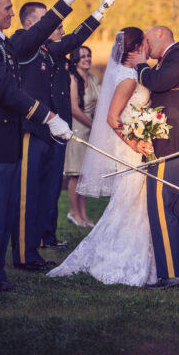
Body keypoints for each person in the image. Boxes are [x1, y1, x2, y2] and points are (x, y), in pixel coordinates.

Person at [0, 0, 84, 292]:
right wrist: (48, 116)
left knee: (2, 211)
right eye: (7, 8)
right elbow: (6, 93)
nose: (12, 13)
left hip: (6, 142)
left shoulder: (2, 43)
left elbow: (37, 32)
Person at [11, 0, 117, 272]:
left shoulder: (47, 50)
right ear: (32, 24)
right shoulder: (21, 45)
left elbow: (72, 40)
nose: (51, 24)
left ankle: (35, 247)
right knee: (27, 194)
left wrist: (99, 12)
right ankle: (23, 254)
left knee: (46, 191)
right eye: (45, 20)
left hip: (50, 133)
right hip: (30, 131)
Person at [47, 28, 157, 287]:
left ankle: (136, 251)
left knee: (131, 201)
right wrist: (135, 142)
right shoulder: (129, 77)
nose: (148, 48)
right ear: (135, 49)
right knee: (130, 201)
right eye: (145, 44)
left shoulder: (123, 72)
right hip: (130, 147)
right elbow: (111, 117)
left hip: (130, 144)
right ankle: (119, 256)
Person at [128, 26, 179, 289]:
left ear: (160, 35)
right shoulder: (170, 59)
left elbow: (157, 83)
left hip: (170, 143)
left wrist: (141, 65)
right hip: (170, 141)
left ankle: (171, 273)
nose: (145, 48)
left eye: (147, 41)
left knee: (159, 207)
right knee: (177, 208)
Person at [64, 45, 100, 227]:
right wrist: (94, 125)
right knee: (76, 175)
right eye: (83, 56)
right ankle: (73, 213)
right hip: (78, 130)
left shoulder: (93, 78)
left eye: (89, 55)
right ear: (75, 60)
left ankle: (84, 215)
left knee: (85, 175)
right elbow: (74, 109)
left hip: (91, 130)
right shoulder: (72, 79)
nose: (87, 58)